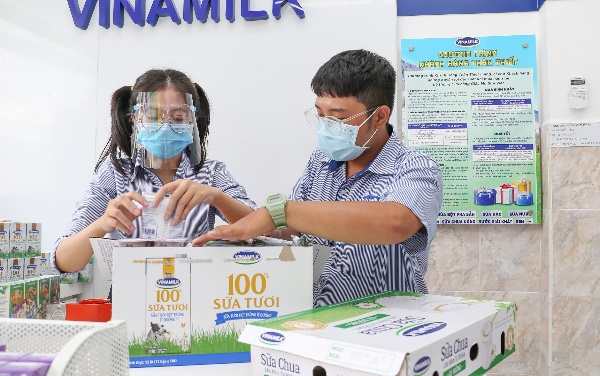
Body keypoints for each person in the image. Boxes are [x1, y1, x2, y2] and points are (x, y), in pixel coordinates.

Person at [193, 50, 443, 307]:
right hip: (317, 317)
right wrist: (221, 202)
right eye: (320, 115)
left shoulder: (416, 167)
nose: (326, 127)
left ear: (380, 116)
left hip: (387, 320)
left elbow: (395, 223)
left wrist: (281, 211)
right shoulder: (321, 162)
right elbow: (287, 229)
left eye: (338, 118)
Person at [51, 69, 256, 275]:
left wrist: (216, 197)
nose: (165, 126)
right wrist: (102, 224)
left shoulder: (211, 173)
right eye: (152, 116)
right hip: (131, 291)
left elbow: (263, 227)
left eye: (178, 118)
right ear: (134, 118)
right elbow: (64, 261)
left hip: (194, 289)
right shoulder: (114, 174)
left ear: (192, 121)